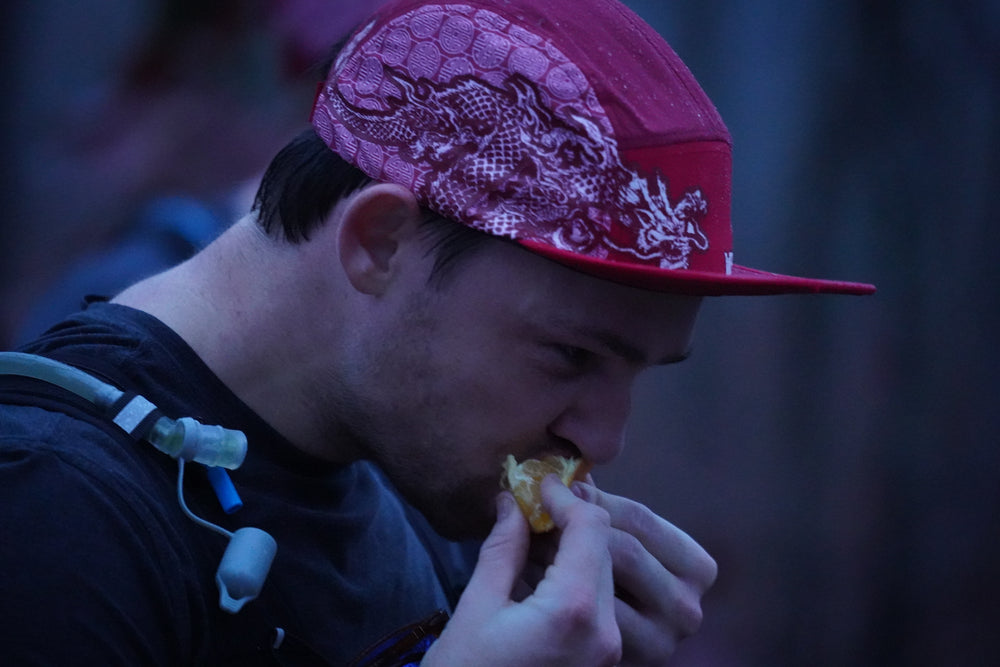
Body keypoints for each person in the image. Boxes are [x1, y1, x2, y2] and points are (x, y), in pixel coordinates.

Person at [0, 0, 875, 665]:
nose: (604, 438)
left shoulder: (424, 487)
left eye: (643, 368)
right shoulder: (51, 510)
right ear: (379, 242)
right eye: (573, 354)